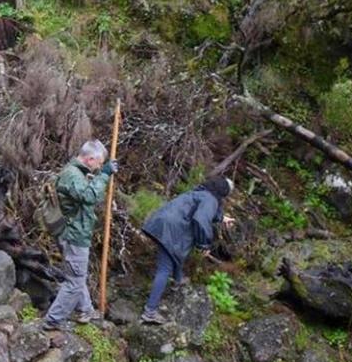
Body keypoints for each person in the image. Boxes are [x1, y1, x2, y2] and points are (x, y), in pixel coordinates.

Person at [42, 140, 119, 331]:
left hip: (75, 232)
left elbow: (90, 196)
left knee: (78, 275)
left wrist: (100, 176)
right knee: (74, 281)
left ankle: (85, 310)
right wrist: (104, 175)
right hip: (74, 235)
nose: (99, 167)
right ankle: (53, 319)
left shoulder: (78, 174)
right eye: (99, 163)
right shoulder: (72, 175)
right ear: (90, 158)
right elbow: (89, 197)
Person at [140, 175, 236, 324]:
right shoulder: (210, 199)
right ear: (223, 192)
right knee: (164, 269)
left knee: (174, 255)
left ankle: (178, 281)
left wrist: (222, 218)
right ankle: (150, 311)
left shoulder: (200, 193)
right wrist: (203, 245)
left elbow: (206, 211)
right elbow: (201, 219)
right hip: (172, 230)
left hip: (163, 223)